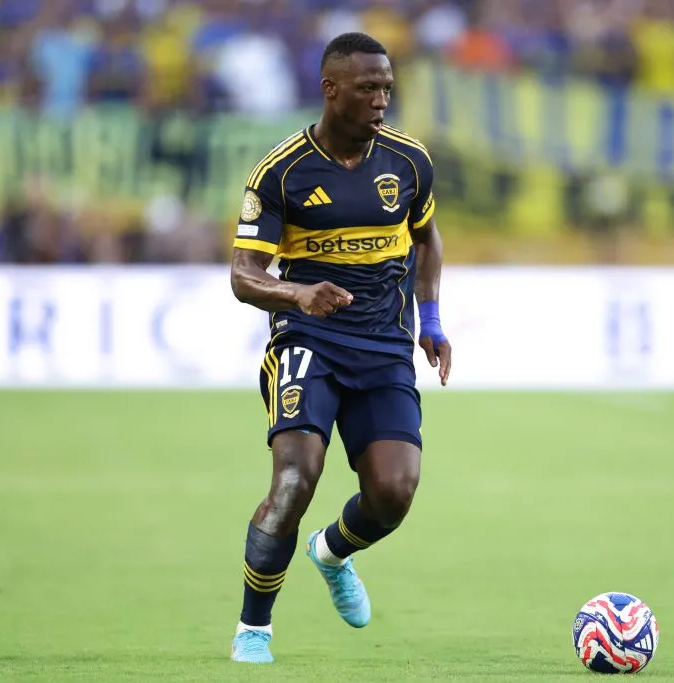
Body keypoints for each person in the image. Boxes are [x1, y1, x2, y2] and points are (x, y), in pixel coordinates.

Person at [227, 32, 452, 664]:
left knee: (395, 492)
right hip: (310, 341)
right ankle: (254, 629)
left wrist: (431, 320)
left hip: (383, 346)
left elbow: (427, 239)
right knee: (295, 478)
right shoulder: (282, 172)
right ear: (331, 90)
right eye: (367, 88)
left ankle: (331, 553)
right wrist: (297, 294)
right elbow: (244, 275)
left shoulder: (408, 161)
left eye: (387, 88)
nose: (381, 100)